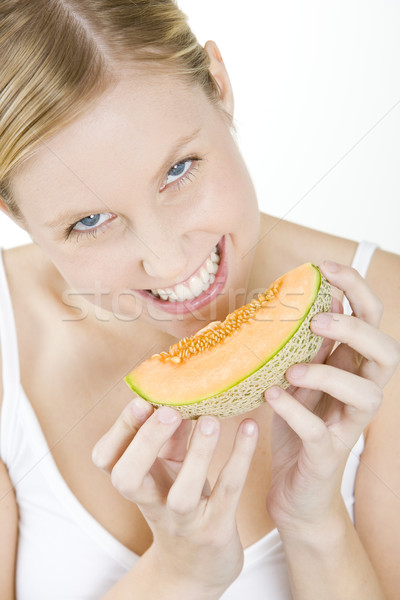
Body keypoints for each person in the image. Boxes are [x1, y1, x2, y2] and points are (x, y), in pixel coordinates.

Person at [0, 1, 399, 598]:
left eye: (178, 169)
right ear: (15, 214)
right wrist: (179, 573)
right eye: (89, 220)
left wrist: (314, 524)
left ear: (219, 85)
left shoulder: (384, 305)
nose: (167, 261)